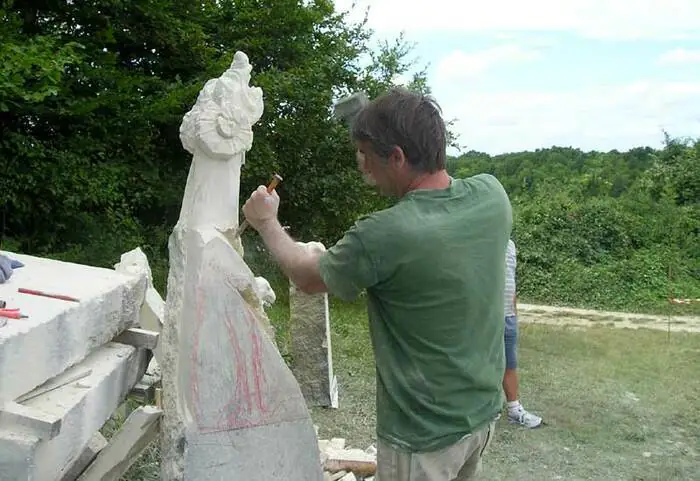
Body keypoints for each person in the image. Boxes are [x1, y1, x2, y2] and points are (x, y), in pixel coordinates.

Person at [242, 88, 512, 481]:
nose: (365, 172)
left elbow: (307, 275)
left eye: (367, 160)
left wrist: (267, 223)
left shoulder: (385, 236)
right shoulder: (492, 196)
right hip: (480, 415)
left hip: (423, 437)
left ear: (398, 157)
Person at [502, 239, 543, 428]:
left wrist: (514, 313)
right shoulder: (480, 239)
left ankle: (514, 410)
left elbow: (511, 281)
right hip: (484, 316)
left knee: (510, 364)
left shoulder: (510, 245)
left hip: (508, 315)